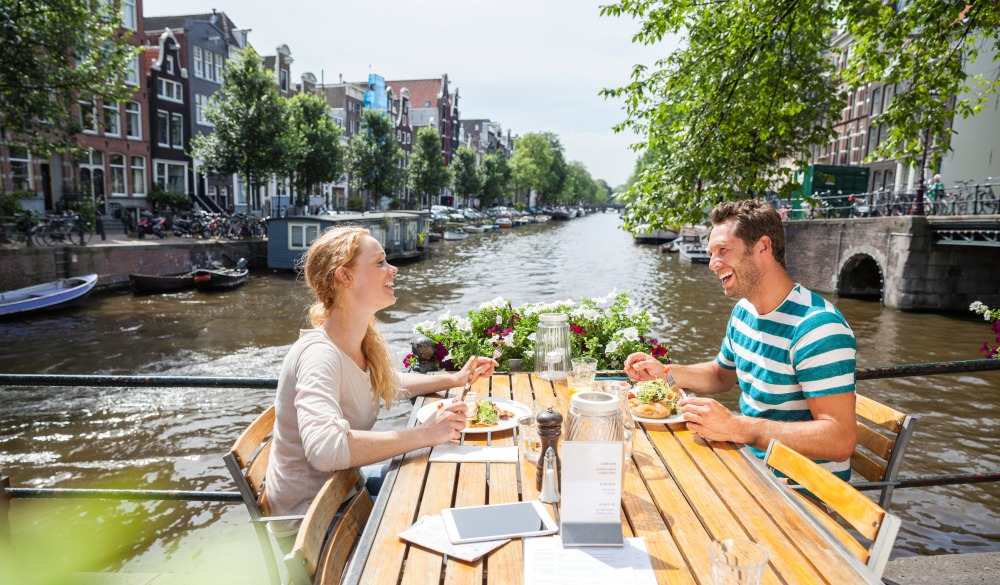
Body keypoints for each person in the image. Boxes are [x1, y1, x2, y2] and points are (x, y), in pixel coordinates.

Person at [265, 225, 497, 547]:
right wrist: (425, 434)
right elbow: (326, 450)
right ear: (344, 277)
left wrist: (455, 378)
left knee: (452, 505)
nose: (393, 268)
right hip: (315, 527)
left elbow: (387, 382)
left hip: (347, 497)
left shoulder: (355, 341)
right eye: (380, 263)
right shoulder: (319, 355)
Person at [624, 199, 857, 479]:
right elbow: (721, 375)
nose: (712, 264)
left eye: (723, 251)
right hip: (750, 467)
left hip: (801, 494)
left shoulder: (817, 328)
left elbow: (840, 439)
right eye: (711, 253)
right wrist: (665, 375)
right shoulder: (744, 312)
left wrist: (737, 427)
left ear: (763, 247)